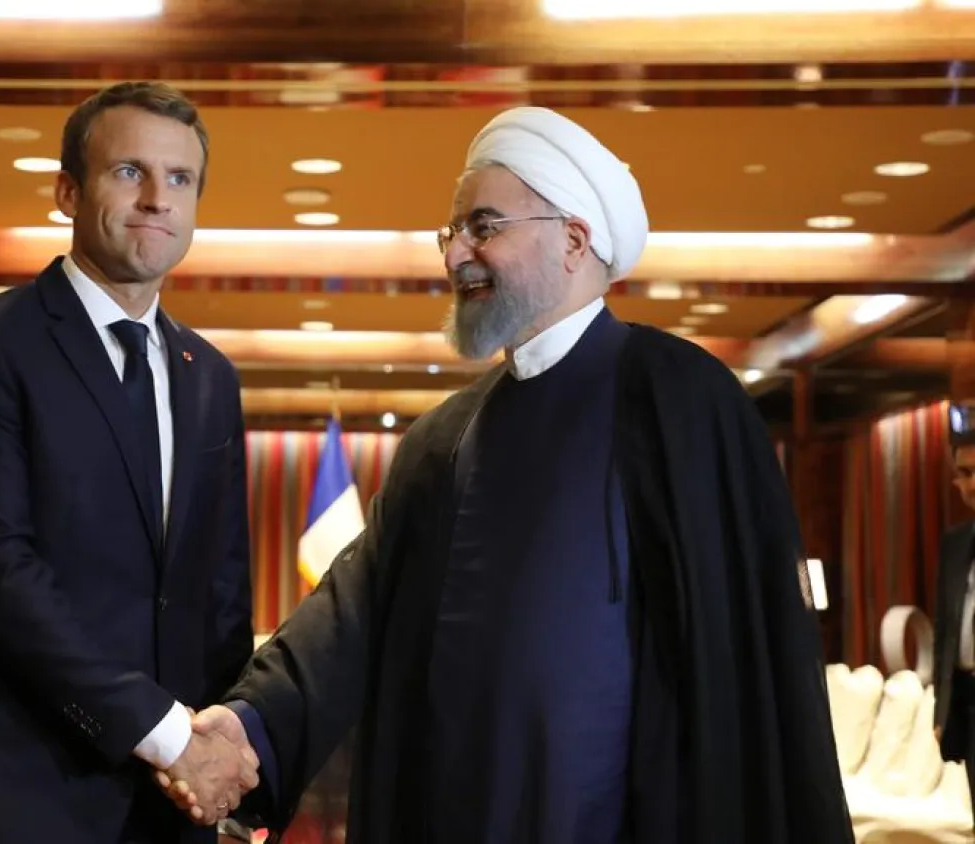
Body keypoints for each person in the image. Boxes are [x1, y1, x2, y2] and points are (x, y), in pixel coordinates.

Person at [163, 106, 853, 844]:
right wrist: (246, 727)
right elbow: (350, 614)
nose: (456, 254)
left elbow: (742, 660)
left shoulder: (678, 399)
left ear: (575, 240)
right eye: (451, 232)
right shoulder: (443, 438)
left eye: (484, 227)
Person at [0, 80, 257, 844]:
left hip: (162, 804)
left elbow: (221, 591)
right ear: (69, 190)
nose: (157, 198)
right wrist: (168, 735)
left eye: (180, 179)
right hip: (0, 782)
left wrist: (219, 747)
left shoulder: (211, 376)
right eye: (129, 171)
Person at [934, 438, 975, 821]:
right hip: (968, 701)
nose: (971, 483)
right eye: (964, 473)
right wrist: (941, 710)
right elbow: (945, 630)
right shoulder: (955, 542)